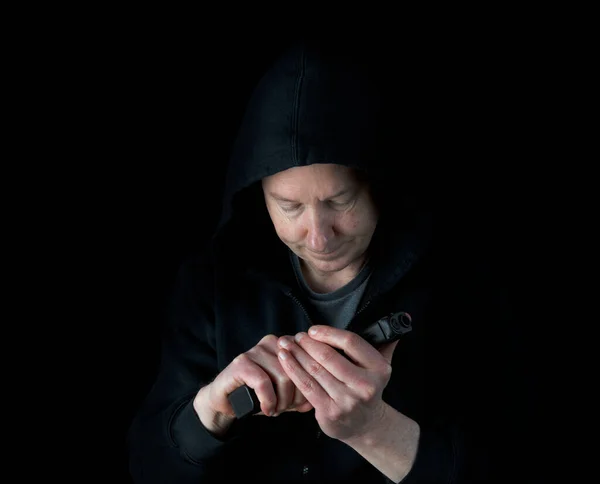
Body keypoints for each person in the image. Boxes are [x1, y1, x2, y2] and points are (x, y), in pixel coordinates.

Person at [127, 38, 535, 483]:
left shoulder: (463, 278)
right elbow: (148, 466)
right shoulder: (210, 281)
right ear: (257, 197)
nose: (319, 237)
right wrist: (210, 411)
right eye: (289, 207)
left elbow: (517, 463)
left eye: (340, 201)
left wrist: (374, 430)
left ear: (377, 186)